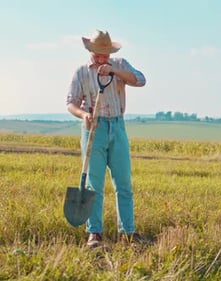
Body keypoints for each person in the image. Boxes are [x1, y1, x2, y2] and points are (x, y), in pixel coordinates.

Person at [66, 30, 146, 248]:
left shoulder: (119, 63)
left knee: (124, 183)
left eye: (105, 54)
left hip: (117, 126)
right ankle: (95, 234)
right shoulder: (82, 72)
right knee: (94, 183)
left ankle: (128, 233)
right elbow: (71, 102)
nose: (101, 58)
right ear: (91, 51)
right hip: (94, 128)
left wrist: (115, 71)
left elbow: (140, 80)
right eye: (97, 54)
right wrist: (84, 115)